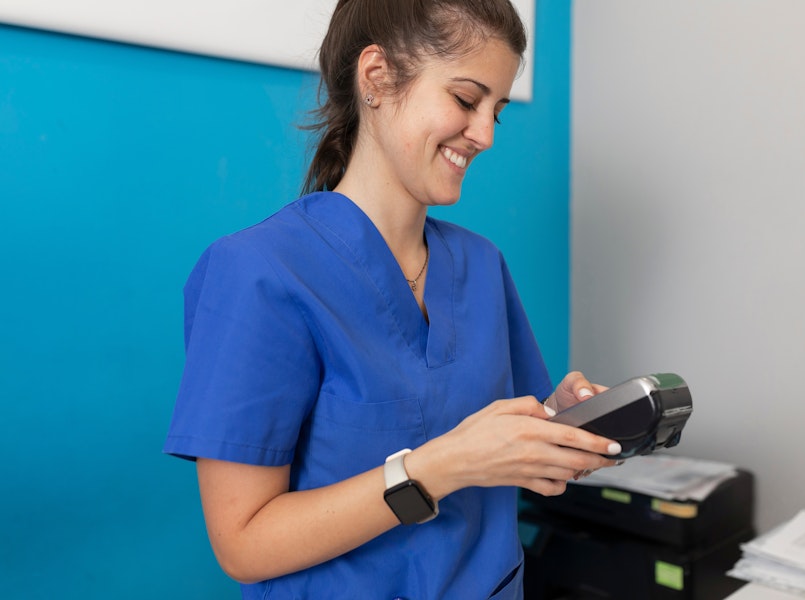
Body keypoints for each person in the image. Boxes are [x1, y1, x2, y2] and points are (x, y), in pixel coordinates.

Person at [164, 0, 621, 597]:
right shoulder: (259, 273)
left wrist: (558, 421)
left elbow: (503, 453)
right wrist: (440, 466)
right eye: (465, 99)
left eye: (497, 111)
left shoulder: (480, 265)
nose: (484, 134)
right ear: (377, 77)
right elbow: (244, 543)